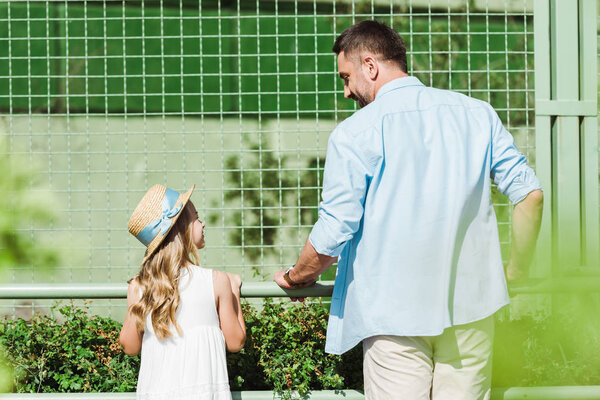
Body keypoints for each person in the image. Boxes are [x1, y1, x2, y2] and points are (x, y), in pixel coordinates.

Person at [274, 20, 543, 400]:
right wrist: (516, 270)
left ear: (370, 66)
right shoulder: (477, 114)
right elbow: (530, 195)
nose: (347, 90)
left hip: (393, 312)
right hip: (473, 305)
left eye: (346, 77)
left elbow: (335, 229)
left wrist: (297, 275)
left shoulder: (354, 133)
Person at [120, 184, 246, 400]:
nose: (202, 223)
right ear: (181, 228)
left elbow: (129, 346)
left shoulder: (140, 287)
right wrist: (233, 291)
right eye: (197, 218)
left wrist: (134, 297)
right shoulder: (216, 281)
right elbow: (236, 342)